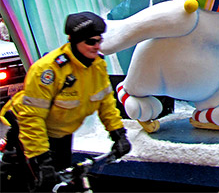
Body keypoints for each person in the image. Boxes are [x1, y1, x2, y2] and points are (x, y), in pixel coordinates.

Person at [0, 12, 131, 192]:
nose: (97, 46)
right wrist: (41, 159)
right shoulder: (48, 70)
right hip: (28, 134)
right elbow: (32, 119)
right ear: (75, 41)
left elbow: (106, 103)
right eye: (91, 42)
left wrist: (118, 134)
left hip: (61, 134)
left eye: (99, 40)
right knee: (31, 185)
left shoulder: (97, 65)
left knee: (62, 181)